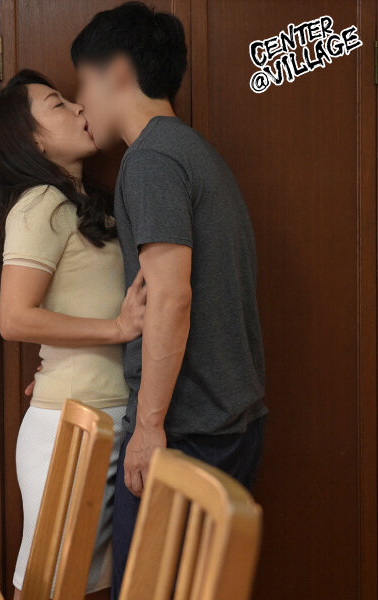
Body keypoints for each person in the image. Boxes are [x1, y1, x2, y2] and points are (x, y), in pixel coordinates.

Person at [69, 3, 268, 596]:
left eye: (82, 83)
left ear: (118, 72)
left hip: (189, 431)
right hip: (228, 421)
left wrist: (150, 426)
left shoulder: (151, 158)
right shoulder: (191, 151)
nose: (80, 103)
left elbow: (171, 297)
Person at [0, 69, 147, 600]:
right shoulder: (40, 204)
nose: (79, 108)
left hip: (97, 416)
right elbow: (14, 318)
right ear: (30, 139)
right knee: (51, 586)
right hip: (74, 426)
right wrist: (117, 328)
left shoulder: (79, 202)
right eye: (57, 105)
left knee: (75, 584)